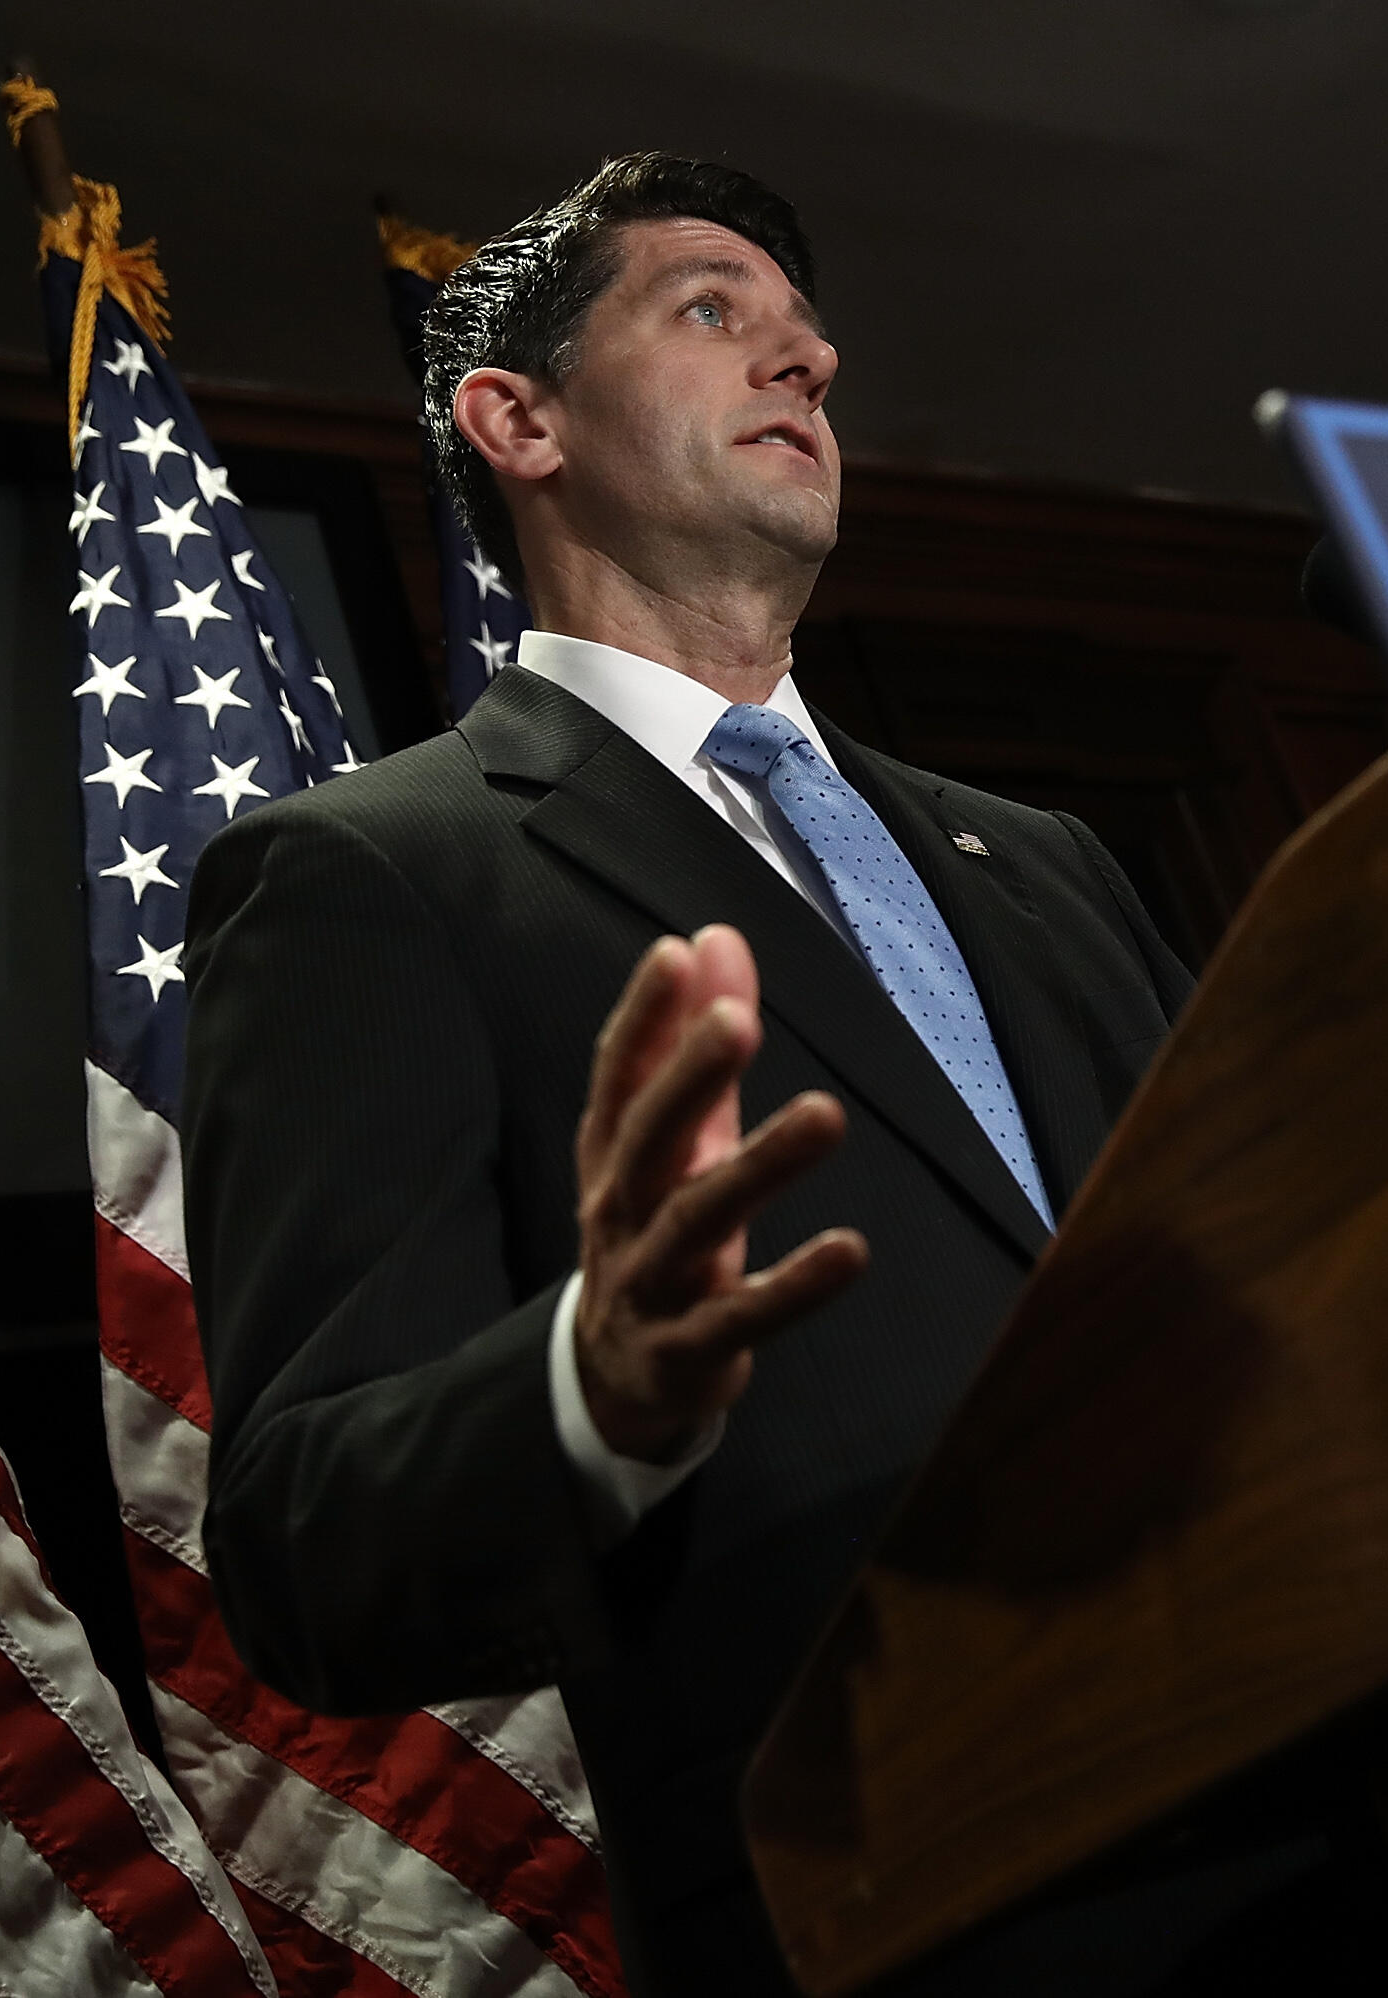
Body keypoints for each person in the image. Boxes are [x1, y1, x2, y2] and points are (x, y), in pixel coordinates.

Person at [182, 153, 1191, 1992]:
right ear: (517, 416)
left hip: (1355, 1803)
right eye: (713, 311)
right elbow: (304, 1541)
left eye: (809, 341)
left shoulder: (1041, 859)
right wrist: (593, 1382)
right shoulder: (375, 874)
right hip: (911, 1907)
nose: (802, 363)